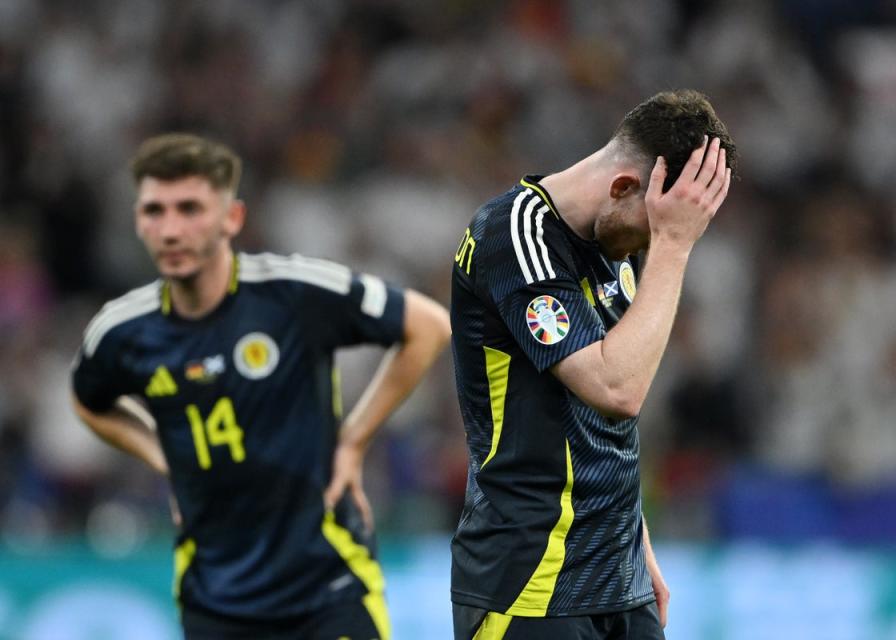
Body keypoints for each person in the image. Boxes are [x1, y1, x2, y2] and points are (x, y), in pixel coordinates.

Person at [70, 133, 450, 639]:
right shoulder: (122, 332)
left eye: (189, 209)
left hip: (326, 584)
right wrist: (164, 456)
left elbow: (428, 326)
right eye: (154, 211)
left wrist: (354, 441)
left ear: (232, 219)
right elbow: (88, 400)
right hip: (215, 597)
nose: (170, 229)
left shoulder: (294, 293)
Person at [449, 89, 738, 639]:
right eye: (649, 232)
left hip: (618, 582)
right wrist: (674, 246)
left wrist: (637, 544)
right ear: (625, 187)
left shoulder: (614, 244)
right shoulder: (514, 235)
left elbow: (609, 423)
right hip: (532, 586)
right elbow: (615, 388)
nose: (643, 251)